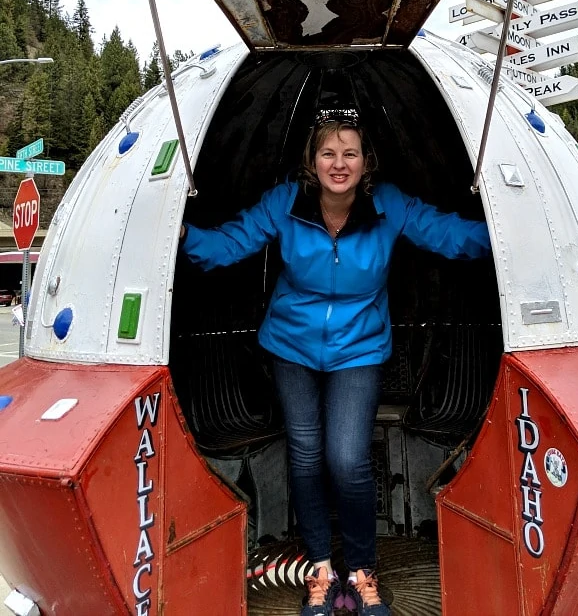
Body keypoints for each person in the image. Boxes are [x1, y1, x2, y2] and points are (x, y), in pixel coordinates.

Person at [180, 111, 491, 616]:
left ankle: (362, 571)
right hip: (291, 347)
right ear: (311, 161)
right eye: (328, 153)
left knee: (346, 458)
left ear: (366, 162)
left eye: (350, 153)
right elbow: (230, 242)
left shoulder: (385, 205)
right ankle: (322, 570)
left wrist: (503, 231)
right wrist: (183, 236)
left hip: (358, 348)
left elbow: (444, 233)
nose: (339, 163)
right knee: (305, 454)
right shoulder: (286, 202)